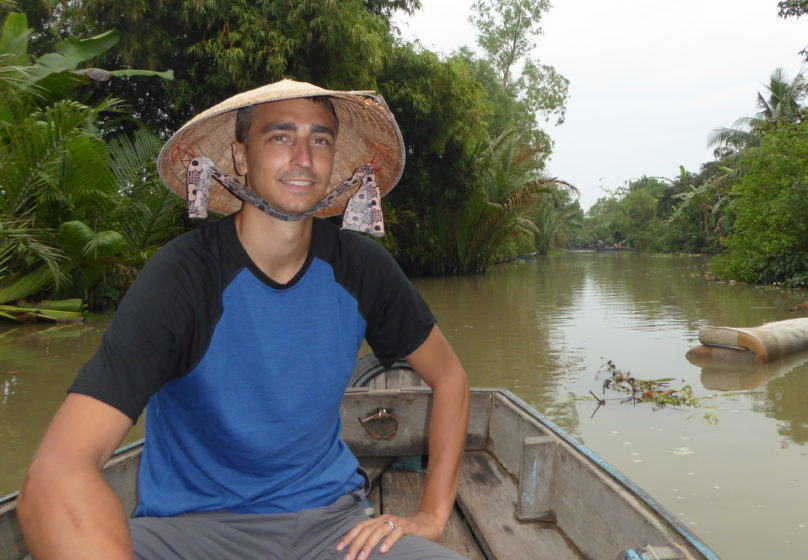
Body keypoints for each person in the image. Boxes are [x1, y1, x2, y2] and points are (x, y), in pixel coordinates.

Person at [17, 79, 470, 560]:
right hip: (192, 532)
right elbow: (58, 470)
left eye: (320, 139)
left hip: (329, 529)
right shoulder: (185, 277)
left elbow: (450, 378)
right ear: (240, 156)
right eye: (280, 136)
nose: (303, 156)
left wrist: (433, 514)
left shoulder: (361, 268)